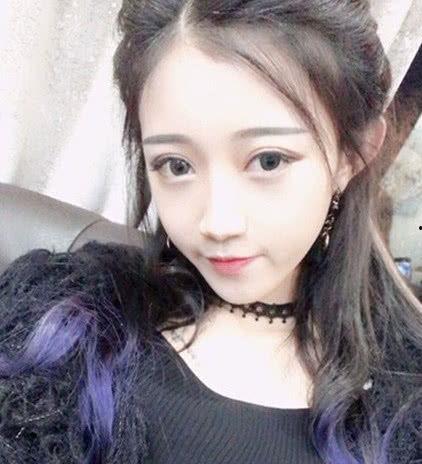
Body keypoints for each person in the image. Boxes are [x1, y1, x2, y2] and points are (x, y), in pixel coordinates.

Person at [0, 1, 421, 463]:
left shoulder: (406, 405)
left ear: (351, 155)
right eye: (176, 166)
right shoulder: (64, 323)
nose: (217, 223)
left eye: (268, 161)